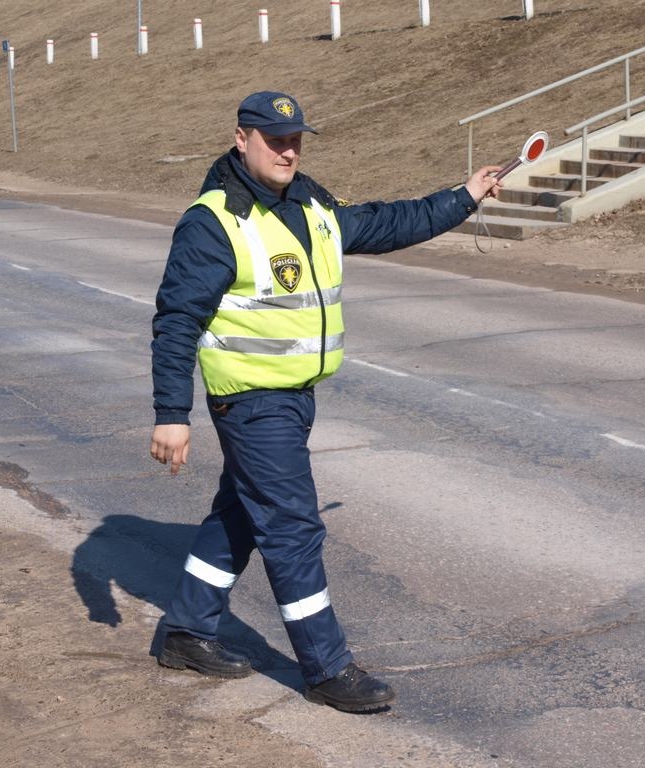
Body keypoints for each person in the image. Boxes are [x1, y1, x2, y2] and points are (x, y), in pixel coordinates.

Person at [149, 90, 502, 713]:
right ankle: (326, 667)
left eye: (295, 140)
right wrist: (172, 416)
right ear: (242, 139)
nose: (287, 150)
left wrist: (463, 197)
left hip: (294, 397)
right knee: (292, 527)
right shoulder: (214, 221)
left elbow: (387, 223)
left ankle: (185, 630)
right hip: (251, 402)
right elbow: (177, 320)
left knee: (241, 515)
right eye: (273, 139)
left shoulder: (309, 202)